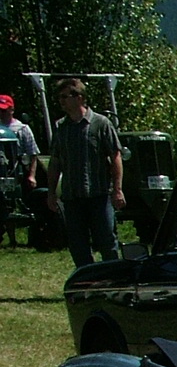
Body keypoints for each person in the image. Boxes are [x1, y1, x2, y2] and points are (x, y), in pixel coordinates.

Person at [45, 77, 124, 267]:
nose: (62, 101)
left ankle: (113, 279)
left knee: (107, 240)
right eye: (59, 97)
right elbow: (55, 162)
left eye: (66, 96)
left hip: (99, 195)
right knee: (77, 244)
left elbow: (115, 157)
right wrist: (51, 193)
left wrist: (118, 189)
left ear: (80, 97)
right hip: (72, 197)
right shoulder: (60, 127)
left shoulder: (101, 124)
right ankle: (87, 282)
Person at [0, 93, 40, 188]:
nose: (1, 113)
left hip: (17, 171)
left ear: (12, 110)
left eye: (3, 110)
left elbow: (33, 154)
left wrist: (32, 176)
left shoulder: (22, 128)